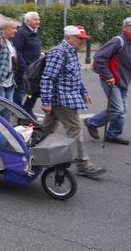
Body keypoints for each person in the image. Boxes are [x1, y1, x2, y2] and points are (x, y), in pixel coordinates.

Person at [40, 25, 106, 178]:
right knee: (75, 128)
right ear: (68, 38)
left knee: (46, 129)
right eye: (79, 38)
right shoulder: (59, 53)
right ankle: (83, 164)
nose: (82, 41)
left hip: (67, 97)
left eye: (83, 39)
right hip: (62, 99)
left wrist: (84, 92)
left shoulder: (71, 52)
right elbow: (47, 78)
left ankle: (32, 154)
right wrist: (46, 101)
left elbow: (75, 75)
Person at [85, 17, 131, 145]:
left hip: (123, 82)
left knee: (122, 109)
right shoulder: (118, 41)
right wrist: (108, 76)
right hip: (111, 81)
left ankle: (113, 134)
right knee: (118, 108)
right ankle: (92, 122)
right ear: (124, 28)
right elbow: (99, 58)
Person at [13, 11, 42, 111]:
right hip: (24, 68)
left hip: (34, 68)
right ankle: (18, 112)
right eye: (35, 19)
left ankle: (26, 110)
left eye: (38, 19)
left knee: (33, 90)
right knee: (20, 91)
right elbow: (18, 51)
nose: (38, 21)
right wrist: (24, 67)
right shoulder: (21, 32)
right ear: (27, 21)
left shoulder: (34, 30)